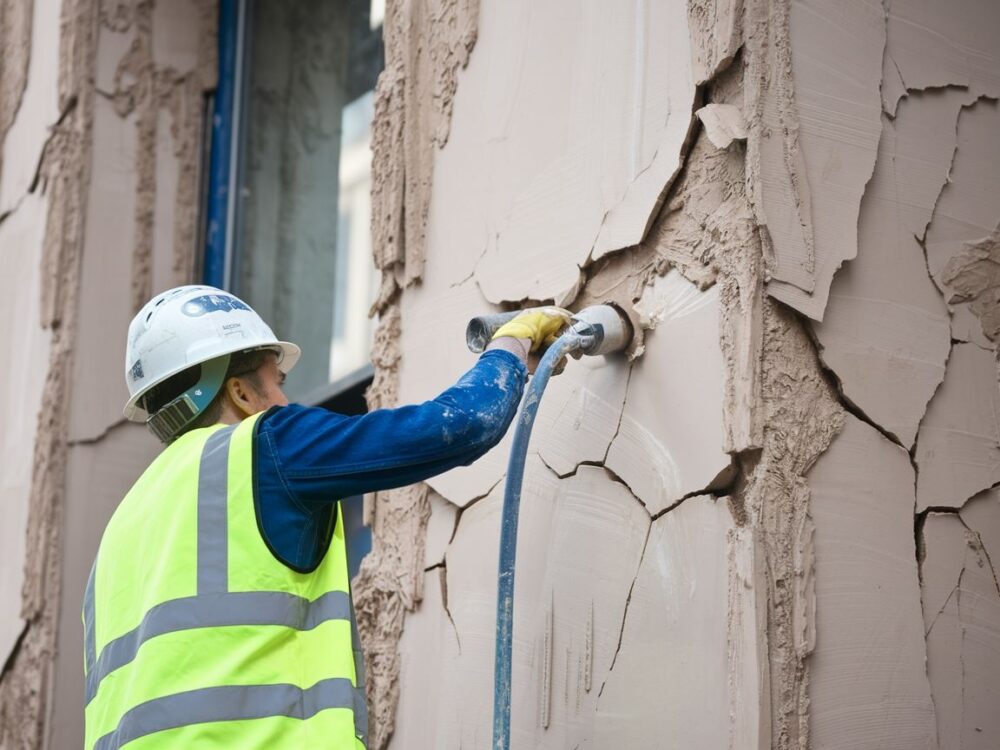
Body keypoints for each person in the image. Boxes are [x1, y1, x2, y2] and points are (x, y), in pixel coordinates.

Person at [82, 285, 570, 749]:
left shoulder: (117, 535)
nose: (286, 403)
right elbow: (462, 424)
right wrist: (511, 344)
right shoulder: (263, 448)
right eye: (278, 382)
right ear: (241, 393)